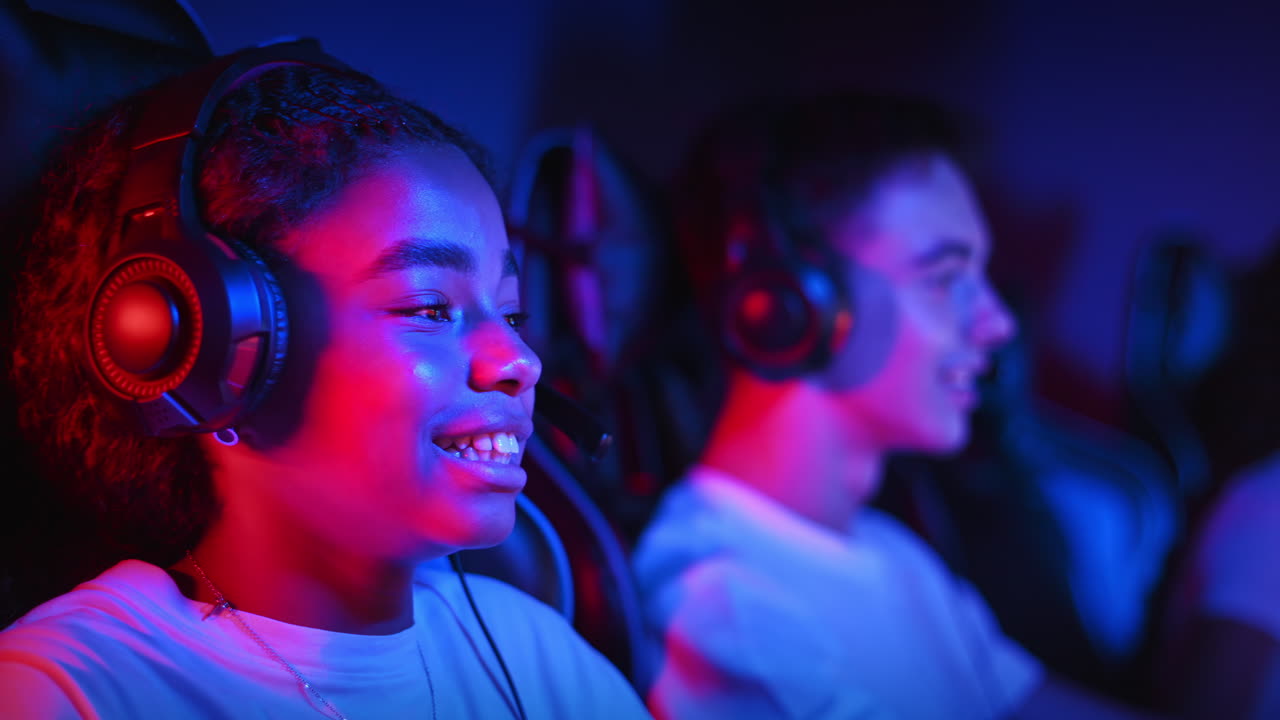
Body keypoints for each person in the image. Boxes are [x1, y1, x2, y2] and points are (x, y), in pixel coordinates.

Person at [0, 42, 650, 719]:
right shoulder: (67, 691)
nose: (518, 360)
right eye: (429, 308)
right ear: (214, 353)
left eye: (511, 312)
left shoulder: (538, 657)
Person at [631, 92, 1162, 720]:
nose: (996, 324)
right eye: (945, 279)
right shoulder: (726, 602)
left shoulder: (898, 559)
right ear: (789, 305)